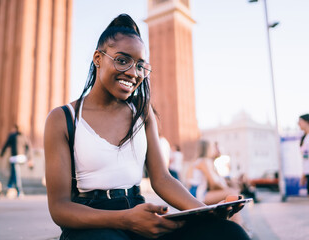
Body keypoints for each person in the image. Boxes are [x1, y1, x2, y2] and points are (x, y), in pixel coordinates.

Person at [44, 14, 249, 240]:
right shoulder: (63, 118)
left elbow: (162, 179)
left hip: (140, 214)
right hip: (92, 222)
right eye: (122, 60)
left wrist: (207, 212)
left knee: (229, 233)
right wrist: (125, 219)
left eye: (141, 65)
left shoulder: (142, 111)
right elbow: (60, 209)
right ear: (97, 58)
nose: (133, 73)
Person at [186, 140, 243, 225]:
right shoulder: (203, 161)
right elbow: (213, 183)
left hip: (195, 193)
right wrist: (227, 189)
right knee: (232, 194)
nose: (214, 150)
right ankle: (239, 228)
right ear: (208, 149)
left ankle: (238, 226)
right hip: (198, 195)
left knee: (232, 195)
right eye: (213, 147)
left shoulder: (198, 161)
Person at [0, 124, 32, 197]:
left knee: (16, 172)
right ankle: (10, 184)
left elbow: (29, 147)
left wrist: (29, 158)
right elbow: (6, 144)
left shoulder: (19, 136)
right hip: (17, 158)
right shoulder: (16, 136)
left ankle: (18, 189)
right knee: (14, 171)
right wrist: (28, 157)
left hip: (18, 158)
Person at [298, 114, 309, 195]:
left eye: (300, 121)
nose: (298, 123)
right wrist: (304, 174)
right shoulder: (305, 138)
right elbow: (306, 158)